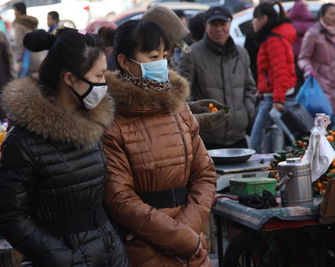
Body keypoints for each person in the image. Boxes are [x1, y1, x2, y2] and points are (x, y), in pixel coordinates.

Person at [0, 29, 128, 267]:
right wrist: (63, 258)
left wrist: (116, 239)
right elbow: (10, 216)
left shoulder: (93, 125)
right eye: (97, 77)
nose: (103, 85)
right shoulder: (24, 140)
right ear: (69, 78)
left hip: (108, 254)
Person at [103, 19, 216, 266]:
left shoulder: (179, 109)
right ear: (124, 62)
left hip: (193, 244)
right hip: (145, 247)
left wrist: (186, 234)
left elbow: (205, 174)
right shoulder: (112, 121)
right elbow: (120, 198)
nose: (162, 64)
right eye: (153, 56)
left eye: (164, 55)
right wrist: (179, 238)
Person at [178, 6, 256, 150]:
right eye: (214, 24)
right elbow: (183, 92)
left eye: (223, 24)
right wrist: (202, 118)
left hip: (238, 137)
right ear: (205, 26)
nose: (219, 29)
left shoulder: (241, 54)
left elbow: (250, 87)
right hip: (207, 138)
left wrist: (247, 112)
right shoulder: (192, 54)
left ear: (230, 24)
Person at [249, 2, 297, 153]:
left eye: (254, 19)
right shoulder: (274, 37)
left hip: (274, 100)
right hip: (273, 96)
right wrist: (262, 89)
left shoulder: (273, 40)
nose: (253, 23)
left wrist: (278, 99)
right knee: (276, 144)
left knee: (255, 144)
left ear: (263, 19)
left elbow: (280, 71)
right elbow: (268, 71)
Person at [299, 3, 335, 118]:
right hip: (319, 84)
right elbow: (303, 58)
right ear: (322, 16)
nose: (334, 17)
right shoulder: (313, 33)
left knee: (334, 120)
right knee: (323, 120)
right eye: (331, 14)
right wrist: (308, 69)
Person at [13, 2, 39, 77]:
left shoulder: (18, 24)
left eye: (15, 10)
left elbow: (19, 43)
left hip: (26, 57)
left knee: (25, 81)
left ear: (19, 11)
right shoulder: (31, 22)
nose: (14, 13)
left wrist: (19, 59)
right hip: (36, 54)